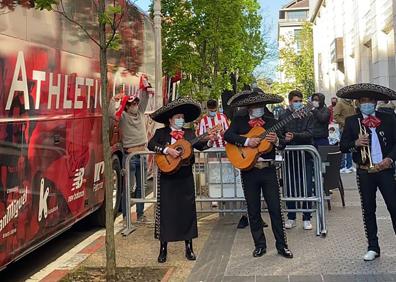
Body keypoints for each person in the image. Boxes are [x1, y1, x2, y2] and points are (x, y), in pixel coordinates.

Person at [224, 88, 293, 259]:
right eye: (255, 105)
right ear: (249, 107)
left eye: (261, 105)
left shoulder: (271, 121)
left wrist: (277, 140)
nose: (259, 108)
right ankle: (260, 245)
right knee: (253, 210)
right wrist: (247, 140)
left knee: (275, 209)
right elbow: (228, 135)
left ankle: (282, 245)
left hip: (269, 170)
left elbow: (283, 143)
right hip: (249, 170)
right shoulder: (240, 120)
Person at [148, 98, 217, 263]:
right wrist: (167, 150)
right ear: (170, 119)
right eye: (177, 117)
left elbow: (201, 146)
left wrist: (210, 140)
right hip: (167, 178)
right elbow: (151, 145)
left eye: (182, 117)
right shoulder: (161, 133)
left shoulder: (190, 133)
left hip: (185, 176)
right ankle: (163, 248)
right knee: (166, 212)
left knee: (187, 211)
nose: (181, 119)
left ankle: (189, 247)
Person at [338, 83, 396, 261]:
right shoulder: (351, 121)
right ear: (358, 103)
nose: (367, 104)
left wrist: (391, 159)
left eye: (370, 101)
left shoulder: (388, 117)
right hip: (364, 171)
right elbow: (343, 146)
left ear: (376, 102)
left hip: (385, 169)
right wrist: (355, 143)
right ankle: (373, 247)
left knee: (394, 206)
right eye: (363, 101)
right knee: (368, 209)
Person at [109, 76, 151, 223]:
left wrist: (146, 87)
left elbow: (145, 98)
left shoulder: (140, 113)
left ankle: (140, 215)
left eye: (136, 103)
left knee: (141, 187)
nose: (135, 105)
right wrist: (114, 100)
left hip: (142, 155)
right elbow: (110, 114)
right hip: (130, 157)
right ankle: (126, 216)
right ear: (126, 106)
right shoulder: (123, 117)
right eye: (132, 103)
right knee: (128, 187)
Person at [279, 90, 314, 231]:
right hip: (289, 157)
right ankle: (291, 216)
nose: (298, 103)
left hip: (305, 155)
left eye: (300, 101)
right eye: (295, 101)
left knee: (306, 185)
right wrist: (284, 139)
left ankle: (307, 217)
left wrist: (294, 136)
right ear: (290, 102)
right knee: (290, 186)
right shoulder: (283, 116)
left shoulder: (309, 115)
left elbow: (310, 133)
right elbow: (279, 135)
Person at [334, 98, 356, 173]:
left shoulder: (352, 103)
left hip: (352, 129)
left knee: (350, 147)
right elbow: (336, 116)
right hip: (343, 128)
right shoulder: (340, 103)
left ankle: (349, 165)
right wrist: (344, 123)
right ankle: (342, 166)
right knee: (343, 147)